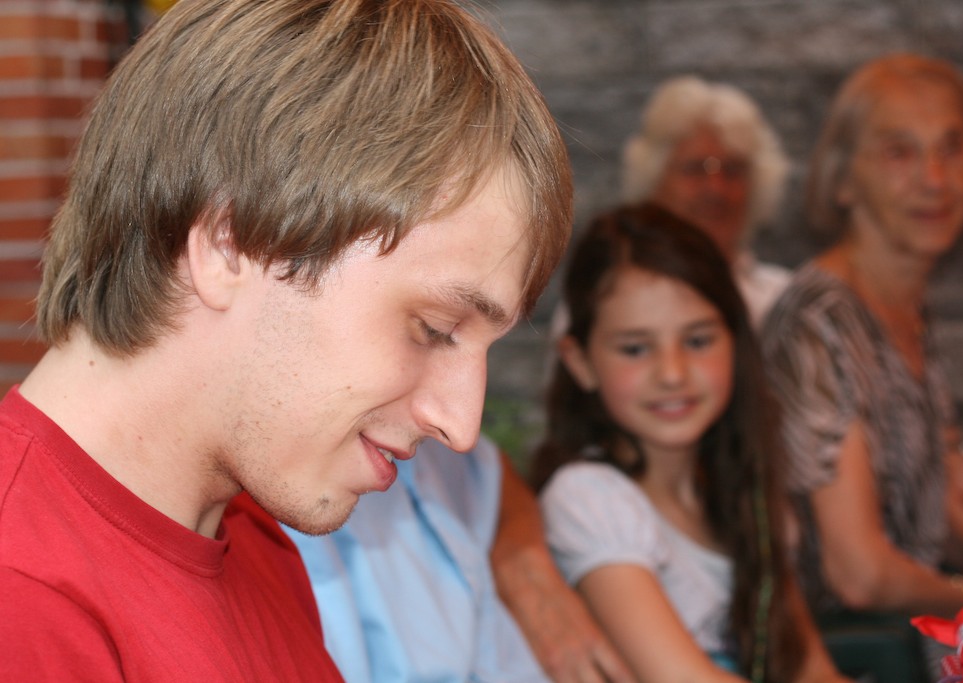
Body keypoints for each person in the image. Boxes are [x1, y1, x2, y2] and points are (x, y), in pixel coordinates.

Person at [0, 0, 572, 680]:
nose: (461, 424)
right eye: (435, 329)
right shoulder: (24, 600)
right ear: (230, 244)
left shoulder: (254, 539)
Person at [532, 203, 849, 683]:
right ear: (580, 362)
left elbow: (814, 672)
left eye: (698, 341)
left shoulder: (744, 494)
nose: (673, 374)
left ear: (736, 343)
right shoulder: (588, 499)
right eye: (635, 348)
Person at [760, 53, 963, 629]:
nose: (935, 179)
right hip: (835, 648)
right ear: (842, 179)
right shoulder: (817, 322)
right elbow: (858, 574)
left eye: (952, 148)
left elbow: (922, 494)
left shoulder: (903, 304)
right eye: (899, 152)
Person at [286, 435, 635, 683]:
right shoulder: (295, 513)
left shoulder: (451, 455)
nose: (465, 428)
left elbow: (486, 465)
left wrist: (523, 556)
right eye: (427, 341)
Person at [621, 76, 792, 326]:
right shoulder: (612, 299)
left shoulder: (786, 301)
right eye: (695, 168)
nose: (715, 189)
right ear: (653, 180)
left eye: (732, 170)